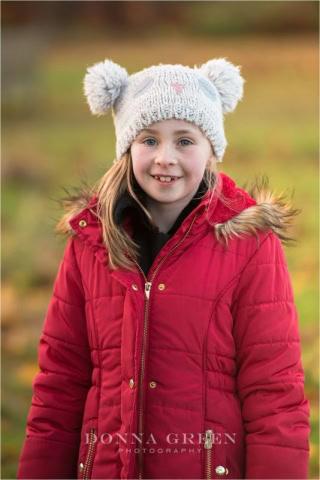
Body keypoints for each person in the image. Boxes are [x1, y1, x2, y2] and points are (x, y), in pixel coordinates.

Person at [17, 58, 310, 480]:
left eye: (185, 141)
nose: (165, 158)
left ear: (211, 150)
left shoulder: (250, 246)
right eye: (149, 140)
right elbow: (59, 382)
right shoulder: (92, 243)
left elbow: (274, 392)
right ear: (127, 147)